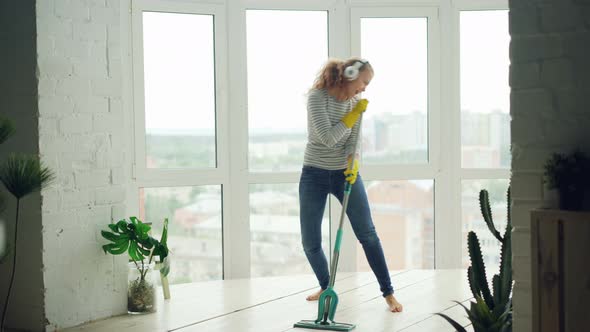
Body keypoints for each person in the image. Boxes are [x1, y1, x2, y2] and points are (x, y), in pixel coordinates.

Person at [299, 57, 403, 313]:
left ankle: (388, 293)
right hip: (314, 173)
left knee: (367, 234)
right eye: (364, 81)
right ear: (350, 73)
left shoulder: (356, 103)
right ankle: (327, 287)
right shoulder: (317, 98)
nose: (365, 88)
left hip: (344, 173)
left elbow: (351, 142)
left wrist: (353, 163)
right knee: (310, 241)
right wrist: (354, 115)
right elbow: (328, 138)